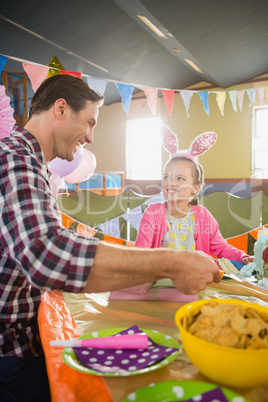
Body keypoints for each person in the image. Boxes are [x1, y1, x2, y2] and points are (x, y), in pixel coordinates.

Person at [0, 75, 221, 401]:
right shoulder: (16, 159)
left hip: (28, 337)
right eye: (89, 122)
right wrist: (172, 262)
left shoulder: (36, 165)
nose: (90, 136)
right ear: (61, 109)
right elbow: (46, 254)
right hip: (12, 348)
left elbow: (51, 238)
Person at [136, 124, 254, 266]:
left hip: (195, 281)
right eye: (167, 176)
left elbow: (221, 248)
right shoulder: (153, 213)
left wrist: (242, 257)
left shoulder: (203, 216)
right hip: (161, 280)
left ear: (195, 188)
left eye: (180, 179)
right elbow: (141, 253)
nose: (171, 183)